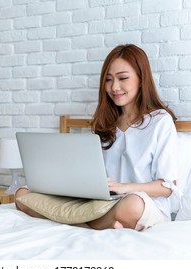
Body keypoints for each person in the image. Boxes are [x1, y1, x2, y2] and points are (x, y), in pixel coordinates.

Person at [15, 44, 181, 231]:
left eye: (123, 78)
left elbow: (167, 187)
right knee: (22, 194)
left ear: (142, 79)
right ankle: (98, 223)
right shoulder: (106, 122)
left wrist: (124, 187)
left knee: (132, 204)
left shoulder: (160, 121)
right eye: (108, 80)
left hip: (142, 204)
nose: (114, 87)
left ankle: (80, 222)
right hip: (102, 203)